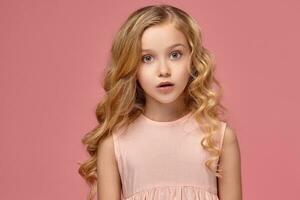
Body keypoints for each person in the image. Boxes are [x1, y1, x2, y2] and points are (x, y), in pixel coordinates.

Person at [78, 4, 242, 200]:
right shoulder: (114, 144)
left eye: (175, 55)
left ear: (193, 58)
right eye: (147, 58)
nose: (163, 70)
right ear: (131, 67)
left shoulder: (218, 138)